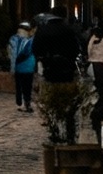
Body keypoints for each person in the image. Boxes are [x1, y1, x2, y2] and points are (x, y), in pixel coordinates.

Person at [31, 9, 84, 141]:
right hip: (67, 70)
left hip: (50, 69)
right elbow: (77, 48)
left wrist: (44, 59)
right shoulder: (69, 30)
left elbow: (35, 49)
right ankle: (70, 131)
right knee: (69, 103)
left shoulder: (43, 30)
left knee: (50, 102)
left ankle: (54, 131)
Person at [7, 21, 37, 111]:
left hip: (19, 67)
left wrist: (12, 68)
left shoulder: (13, 39)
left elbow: (12, 55)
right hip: (29, 67)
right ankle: (27, 103)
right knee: (27, 86)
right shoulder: (31, 40)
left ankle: (19, 103)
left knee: (19, 86)